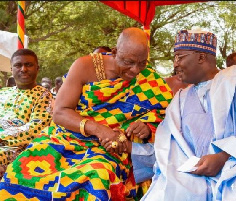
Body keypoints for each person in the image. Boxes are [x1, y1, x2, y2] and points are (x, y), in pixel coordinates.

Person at [0, 27, 173, 200]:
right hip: (65, 138)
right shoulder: (85, 66)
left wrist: (148, 127)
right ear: (114, 52)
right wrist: (99, 129)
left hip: (109, 150)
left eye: (142, 63)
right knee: (19, 169)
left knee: (99, 176)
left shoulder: (150, 79)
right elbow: (60, 112)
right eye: (128, 62)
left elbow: (166, 116)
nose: (135, 70)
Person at [142, 21, 236, 201]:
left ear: (201, 57)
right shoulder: (179, 99)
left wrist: (223, 157)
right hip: (191, 176)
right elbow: (167, 148)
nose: (175, 64)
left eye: (180, 57)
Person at [0, 49, 52, 179]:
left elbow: (35, 129)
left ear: (37, 68)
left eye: (28, 65)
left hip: (16, 149)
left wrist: (2, 137)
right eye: (18, 65)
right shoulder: (3, 93)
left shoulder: (44, 96)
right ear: (11, 69)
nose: (23, 69)